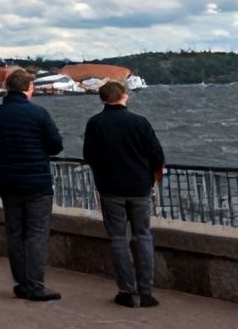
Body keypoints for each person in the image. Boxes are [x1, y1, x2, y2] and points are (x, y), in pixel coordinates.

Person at [0, 67, 65, 302]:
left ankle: (22, 283)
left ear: (8, 88)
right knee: (37, 233)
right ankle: (36, 285)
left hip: (8, 182)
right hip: (37, 182)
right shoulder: (38, 114)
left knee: (15, 233)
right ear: (28, 88)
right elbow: (56, 145)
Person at [84, 80, 166, 309]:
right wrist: (151, 174)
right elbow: (157, 156)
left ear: (103, 99)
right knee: (143, 236)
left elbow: (89, 155)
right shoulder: (139, 122)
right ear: (124, 96)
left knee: (118, 238)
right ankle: (146, 291)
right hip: (139, 188)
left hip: (110, 188)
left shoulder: (95, 123)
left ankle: (127, 291)